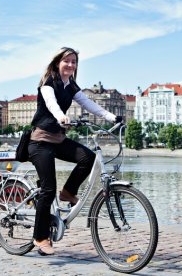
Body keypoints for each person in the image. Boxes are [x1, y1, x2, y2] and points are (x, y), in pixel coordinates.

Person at [28, 47, 121, 255]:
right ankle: (40, 237)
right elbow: (51, 104)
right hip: (40, 141)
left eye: (74, 62)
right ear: (57, 63)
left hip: (58, 139)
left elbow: (88, 104)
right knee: (47, 188)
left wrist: (111, 117)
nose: (70, 65)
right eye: (67, 61)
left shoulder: (71, 85)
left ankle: (68, 192)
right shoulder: (48, 83)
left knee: (87, 158)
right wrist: (61, 117)